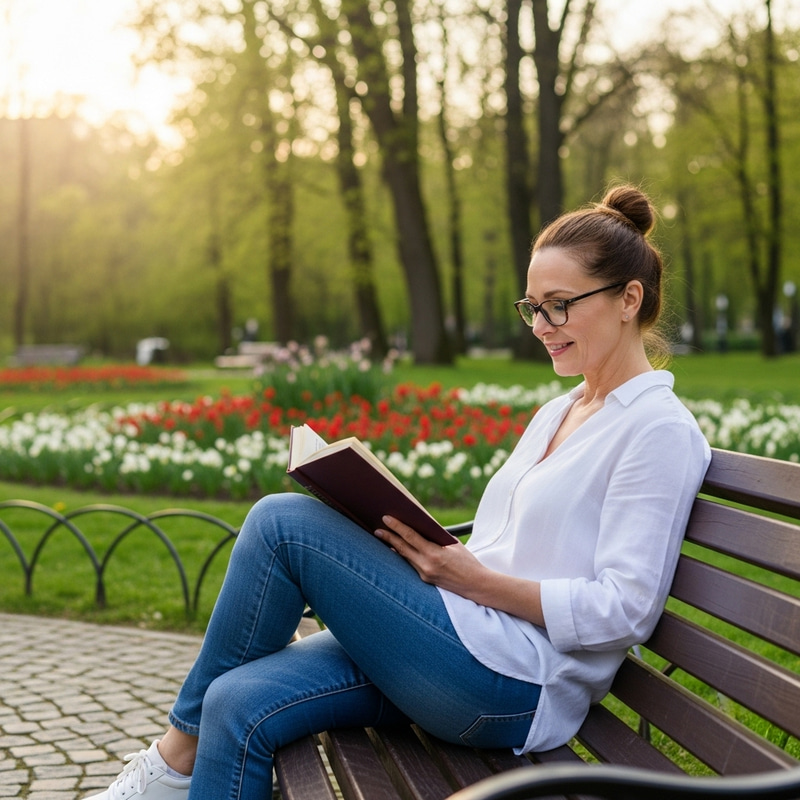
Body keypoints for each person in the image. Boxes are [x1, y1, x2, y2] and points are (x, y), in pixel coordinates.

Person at [84, 184, 711, 800]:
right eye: (532, 307)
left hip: (514, 683)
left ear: (629, 298)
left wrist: (472, 580)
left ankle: (168, 767)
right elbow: (510, 544)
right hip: (462, 634)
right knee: (233, 701)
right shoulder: (563, 410)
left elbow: (626, 609)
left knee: (281, 524)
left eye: (560, 304)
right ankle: (178, 760)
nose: (542, 325)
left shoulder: (656, 429)